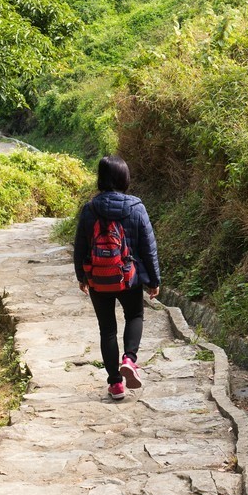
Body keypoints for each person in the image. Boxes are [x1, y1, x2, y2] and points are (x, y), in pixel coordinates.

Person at [73, 155, 161, 401]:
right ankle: (130, 360)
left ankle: (115, 384)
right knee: (134, 315)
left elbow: (80, 245)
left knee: (107, 329)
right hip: (129, 277)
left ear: (101, 178)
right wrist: (154, 280)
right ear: (124, 178)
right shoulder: (136, 208)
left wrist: (82, 275)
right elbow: (148, 247)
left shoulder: (90, 210)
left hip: (98, 278)